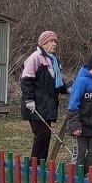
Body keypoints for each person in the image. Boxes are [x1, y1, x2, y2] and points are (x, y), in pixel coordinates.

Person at [19, 30, 67, 161]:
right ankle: (33, 163)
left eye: (55, 41)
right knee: (42, 133)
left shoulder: (54, 60)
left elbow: (57, 81)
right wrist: (29, 99)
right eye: (51, 41)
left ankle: (41, 163)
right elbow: (26, 80)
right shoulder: (35, 58)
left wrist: (67, 89)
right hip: (35, 104)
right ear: (43, 43)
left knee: (46, 135)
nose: (54, 44)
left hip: (48, 104)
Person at [66, 50, 92, 173]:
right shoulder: (81, 82)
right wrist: (75, 126)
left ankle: (81, 173)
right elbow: (73, 106)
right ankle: (75, 181)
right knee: (79, 155)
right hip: (80, 125)